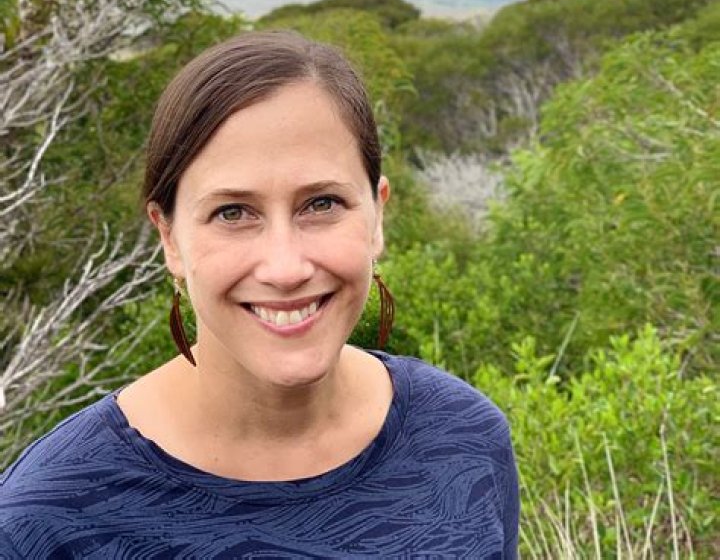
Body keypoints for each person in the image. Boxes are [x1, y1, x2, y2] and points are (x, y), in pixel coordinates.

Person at [0, 30, 519, 558]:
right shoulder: (47, 519)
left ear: (377, 215)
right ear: (169, 237)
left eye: (321, 204)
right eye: (232, 213)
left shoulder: (464, 438)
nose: (285, 268)